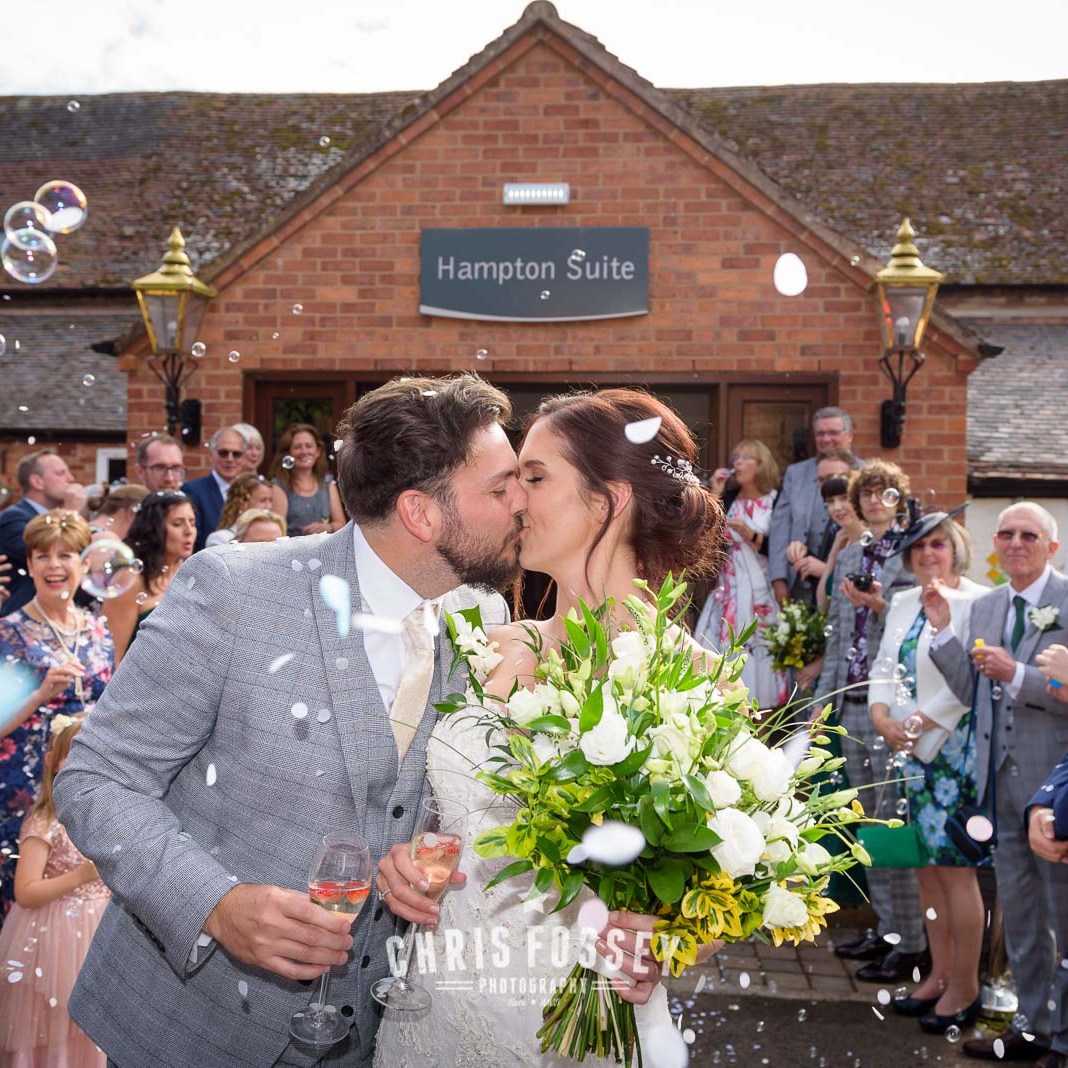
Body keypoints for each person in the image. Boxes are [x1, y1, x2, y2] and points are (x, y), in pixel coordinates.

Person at [53, 374, 528, 1068]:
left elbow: (425, 789)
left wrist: (418, 848)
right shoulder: (234, 592)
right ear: (421, 513)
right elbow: (95, 779)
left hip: (373, 1035)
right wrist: (215, 903)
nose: (523, 503)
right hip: (191, 1032)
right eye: (501, 487)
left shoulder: (481, 615)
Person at [374, 388, 722, 1066]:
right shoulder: (477, 647)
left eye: (534, 478)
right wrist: (402, 857)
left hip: (583, 1023)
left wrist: (666, 935)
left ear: (610, 499)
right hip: (434, 1008)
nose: (514, 500)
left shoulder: (699, 685)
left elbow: (726, 881)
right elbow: (421, 814)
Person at [928, 502, 1068, 1066]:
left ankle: (1065, 1038)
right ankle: (1031, 1028)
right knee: (1021, 916)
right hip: (998, 786)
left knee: (1065, 919)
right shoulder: (986, 605)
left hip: (1056, 791)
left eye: (1027, 534)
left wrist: (1022, 675)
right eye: (1005, 533)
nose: (1014, 542)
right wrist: (942, 635)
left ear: (1051, 547)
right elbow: (969, 690)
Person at [867, 511, 988, 1034]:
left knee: (956, 872)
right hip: (907, 750)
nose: (928, 554)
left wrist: (914, 722)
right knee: (925, 870)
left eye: (938, 546)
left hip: (952, 753)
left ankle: (966, 985)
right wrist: (880, 716)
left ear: (955, 549)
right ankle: (938, 974)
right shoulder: (900, 601)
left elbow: (967, 683)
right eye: (919, 547)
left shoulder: (978, 603)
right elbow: (883, 666)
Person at [820, 460, 926, 982]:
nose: (874, 500)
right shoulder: (854, 555)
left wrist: (881, 604)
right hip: (851, 703)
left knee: (893, 826)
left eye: (886, 492)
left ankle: (911, 942)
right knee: (866, 826)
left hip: (894, 710)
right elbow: (838, 636)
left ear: (898, 498)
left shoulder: (913, 553)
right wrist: (823, 700)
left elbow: (915, 634)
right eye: (867, 493)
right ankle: (886, 929)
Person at [0, 510, 113, 918]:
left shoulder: (98, 631)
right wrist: (40, 695)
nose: (54, 566)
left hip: (82, 784)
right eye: (43, 556)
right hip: (25, 791)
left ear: (84, 564)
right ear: (29, 564)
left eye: (66, 555)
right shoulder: (8, 634)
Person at [0, 715, 109, 1068]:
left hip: (97, 931)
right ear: (56, 764)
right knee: (55, 1018)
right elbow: (27, 891)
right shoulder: (44, 824)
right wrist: (81, 876)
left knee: (93, 1020)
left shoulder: (103, 819)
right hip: (53, 937)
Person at [694, 438, 788, 708]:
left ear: (761, 465)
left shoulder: (775, 500)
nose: (738, 463)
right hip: (729, 593)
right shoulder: (729, 499)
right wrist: (715, 493)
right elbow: (703, 538)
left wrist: (752, 535)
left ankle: (765, 731)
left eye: (746, 458)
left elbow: (780, 546)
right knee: (721, 659)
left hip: (761, 593)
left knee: (764, 663)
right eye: (735, 458)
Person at [768, 406, 861, 605]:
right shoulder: (796, 473)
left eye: (833, 432)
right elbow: (780, 526)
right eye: (820, 433)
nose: (826, 439)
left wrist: (828, 568)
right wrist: (778, 578)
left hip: (847, 582)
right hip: (799, 581)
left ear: (850, 435)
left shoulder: (866, 472)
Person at [101, 491, 196, 665]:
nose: (189, 531)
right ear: (154, 528)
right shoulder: (130, 580)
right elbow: (113, 656)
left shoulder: (192, 574)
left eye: (192, 523)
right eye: (177, 523)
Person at [0, 451, 86, 616]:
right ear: (37, 482)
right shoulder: (13, 519)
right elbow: (49, 549)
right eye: (61, 473)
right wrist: (70, 514)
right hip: (22, 618)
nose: (71, 479)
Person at [785, 448, 858, 601]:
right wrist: (804, 554)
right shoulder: (834, 519)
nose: (827, 485)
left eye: (833, 477)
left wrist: (825, 571)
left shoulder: (865, 525)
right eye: (822, 479)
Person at [270, 423, 346, 536]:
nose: (304, 452)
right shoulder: (280, 486)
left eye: (309, 446)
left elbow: (341, 524)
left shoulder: (327, 483)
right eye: (297, 447)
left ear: (318, 451)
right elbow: (276, 531)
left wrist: (327, 527)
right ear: (288, 452)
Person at [182, 427, 247, 552]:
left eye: (236, 454)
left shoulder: (250, 492)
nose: (230, 459)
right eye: (223, 453)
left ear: (244, 459)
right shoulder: (193, 491)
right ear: (211, 456)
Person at [204, 472, 275, 547]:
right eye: (263, 500)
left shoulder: (273, 533)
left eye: (270, 500)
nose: (269, 506)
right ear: (241, 503)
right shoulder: (220, 539)